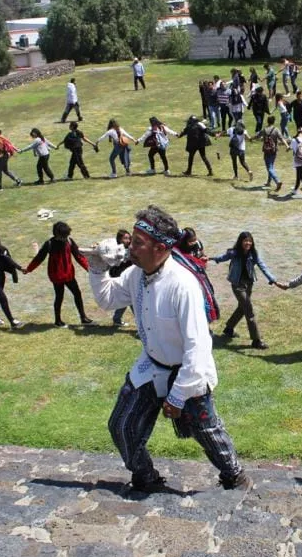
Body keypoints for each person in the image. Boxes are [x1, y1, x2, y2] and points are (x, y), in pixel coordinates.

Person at [90, 205, 252, 492]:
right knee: (121, 425)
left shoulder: (183, 285)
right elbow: (107, 299)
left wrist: (177, 397)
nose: (131, 248)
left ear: (160, 247)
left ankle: (235, 476)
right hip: (151, 365)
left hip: (188, 372)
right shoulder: (135, 275)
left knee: (208, 434)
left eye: (138, 243)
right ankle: (145, 476)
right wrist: (97, 266)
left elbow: (198, 349)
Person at [211, 232, 275, 349]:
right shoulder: (234, 253)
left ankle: (229, 328)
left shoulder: (253, 254)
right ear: (241, 242)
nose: (248, 243)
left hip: (249, 285)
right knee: (249, 311)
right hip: (237, 286)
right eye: (245, 241)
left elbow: (262, 266)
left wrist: (272, 279)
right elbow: (223, 257)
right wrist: (212, 258)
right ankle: (256, 340)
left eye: (250, 241)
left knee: (242, 308)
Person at [25, 221, 94, 328]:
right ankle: (58, 321)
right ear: (57, 234)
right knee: (59, 296)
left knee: (77, 293)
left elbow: (79, 257)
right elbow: (39, 258)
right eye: (64, 236)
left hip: (69, 275)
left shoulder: (69, 241)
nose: (66, 238)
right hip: (57, 276)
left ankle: (83, 318)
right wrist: (29, 269)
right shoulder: (49, 244)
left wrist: (89, 269)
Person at [254, 115, 287, 192]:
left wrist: (250, 138)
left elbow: (257, 136)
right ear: (274, 121)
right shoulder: (276, 130)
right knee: (271, 165)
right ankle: (268, 182)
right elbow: (282, 138)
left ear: (267, 121)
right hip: (273, 150)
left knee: (269, 167)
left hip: (266, 150)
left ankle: (277, 181)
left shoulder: (264, 130)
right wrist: (287, 146)